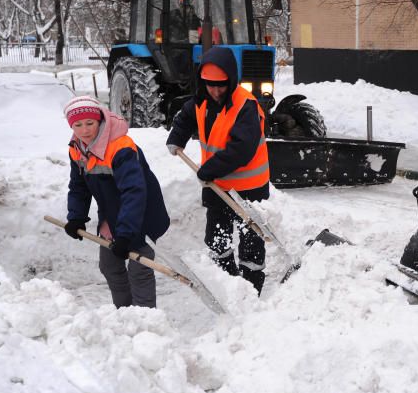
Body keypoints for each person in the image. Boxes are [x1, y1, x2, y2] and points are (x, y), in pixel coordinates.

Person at [166, 47, 269, 296]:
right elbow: (186, 117)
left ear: (231, 80)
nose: (215, 90)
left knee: (251, 240)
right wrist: (177, 137)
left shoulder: (246, 107)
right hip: (216, 185)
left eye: (220, 85)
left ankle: (252, 288)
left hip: (248, 189)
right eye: (209, 84)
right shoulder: (202, 99)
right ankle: (227, 281)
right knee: (216, 238)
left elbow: (241, 150)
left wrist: (208, 170)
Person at [63, 96, 170, 308]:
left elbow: (134, 192)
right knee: (110, 266)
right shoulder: (76, 149)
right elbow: (78, 187)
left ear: (99, 121)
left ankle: (146, 321)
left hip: (140, 215)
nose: (84, 130)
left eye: (90, 123)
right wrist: (76, 217)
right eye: (78, 125)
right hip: (112, 216)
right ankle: (124, 314)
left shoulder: (120, 147)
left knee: (139, 270)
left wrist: (126, 234)